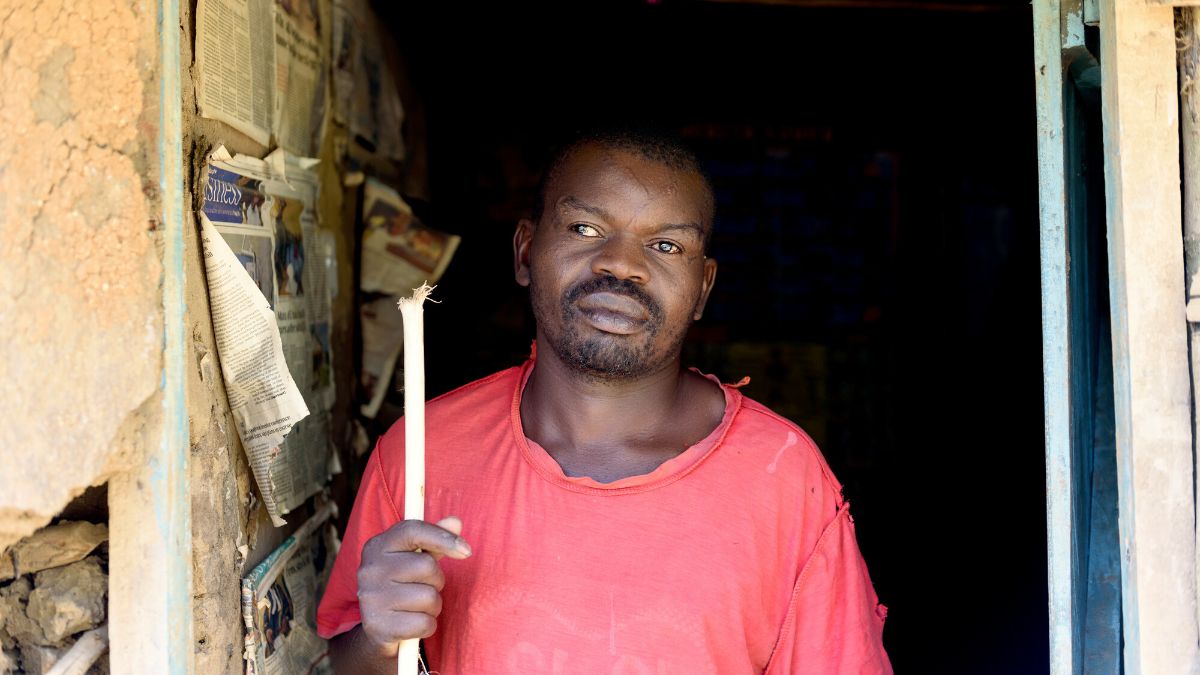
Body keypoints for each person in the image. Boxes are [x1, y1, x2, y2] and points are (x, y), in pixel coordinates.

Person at [317, 129, 892, 674]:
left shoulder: (784, 477)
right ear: (524, 251)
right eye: (587, 229)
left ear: (702, 289)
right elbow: (343, 664)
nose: (622, 263)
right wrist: (379, 637)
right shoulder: (421, 452)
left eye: (666, 245)